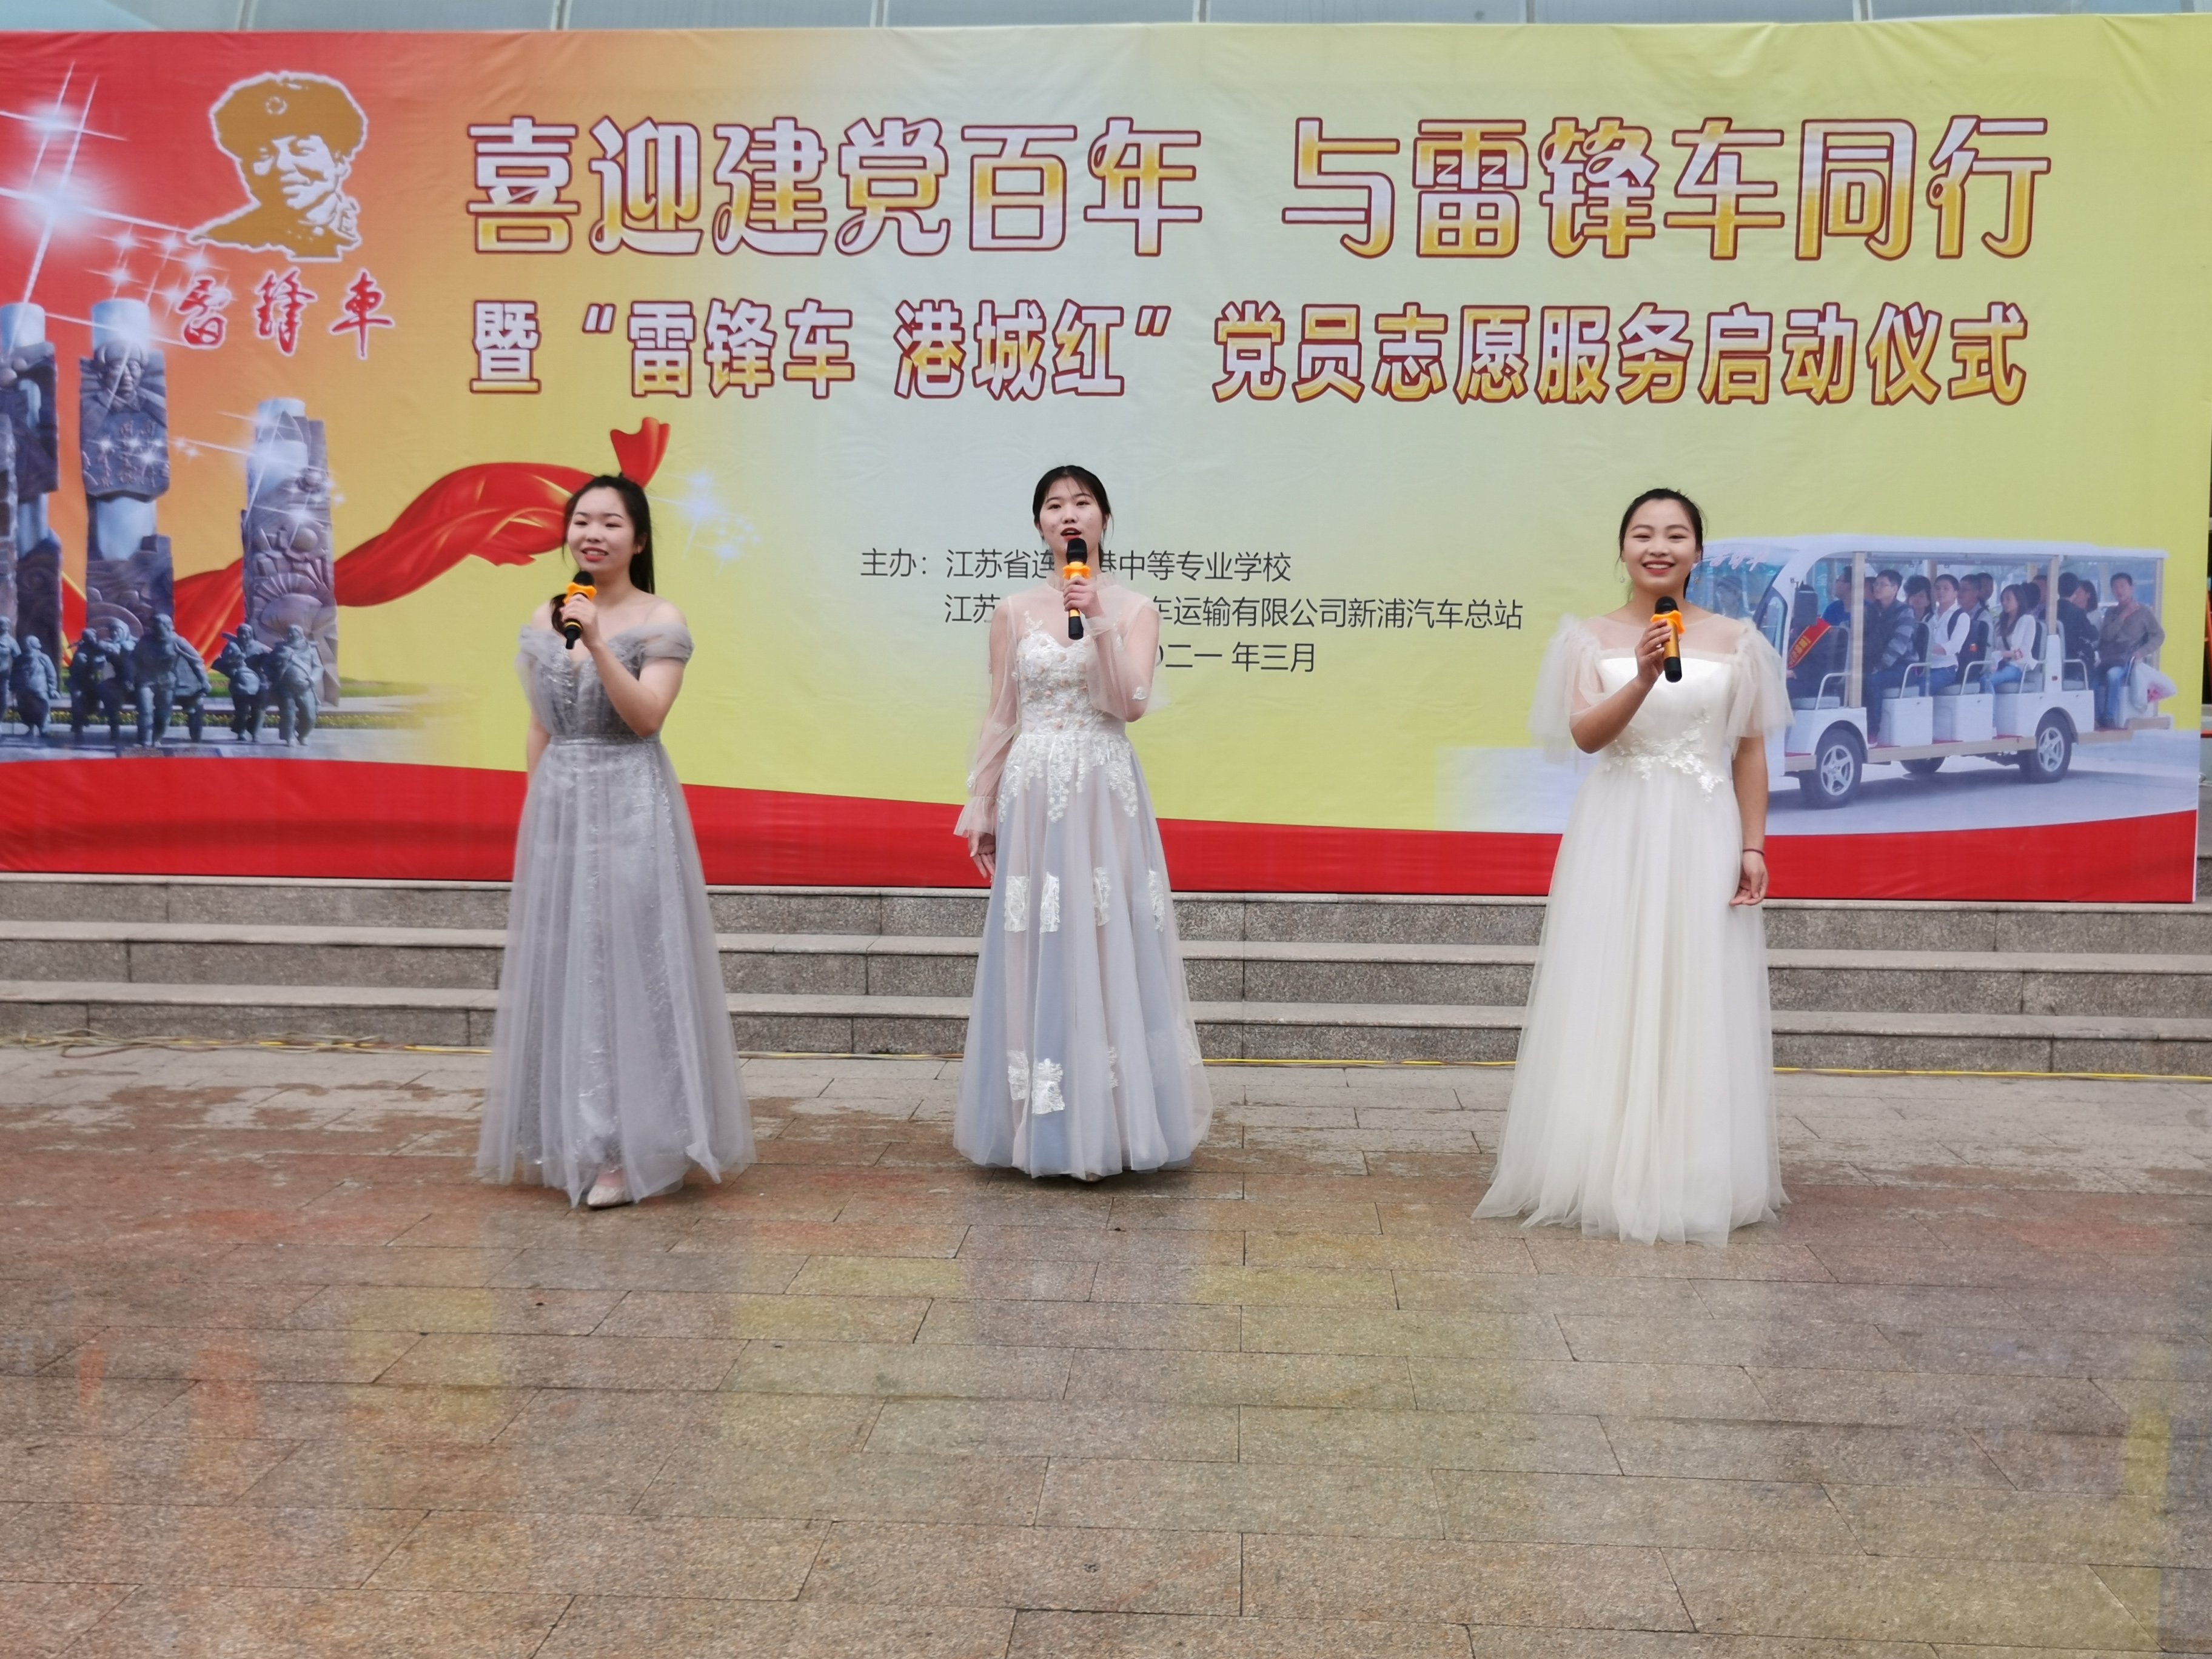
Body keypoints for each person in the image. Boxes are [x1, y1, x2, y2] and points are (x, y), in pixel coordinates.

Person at [1476, 488, 1791, 1246]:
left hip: (1703, 829)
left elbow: (1750, 752)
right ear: (1622, 548)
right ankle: (1597, 1167)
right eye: (1644, 534)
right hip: (1618, 829)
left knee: (1695, 985)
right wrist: (1644, 675)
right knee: (1610, 982)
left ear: (1698, 552)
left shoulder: (1740, 641)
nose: (1659, 547)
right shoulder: (1586, 639)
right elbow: (1586, 735)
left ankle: (1693, 1173)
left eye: (1676, 535)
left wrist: (1753, 846)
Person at [477, 473, 753, 1209]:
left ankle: (637, 1145)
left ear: (639, 538)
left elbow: (647, 717)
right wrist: (537, 811)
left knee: (628, 965)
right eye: (581, 521)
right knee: (568, 964)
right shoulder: (546, 615)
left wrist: (597, 642)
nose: (592, 534)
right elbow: (540, 723)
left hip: (630, 804)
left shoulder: (660, 618)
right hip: (562, 807)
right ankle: (574, 1133)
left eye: (609, 523)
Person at [953, 464, 1211, 1181]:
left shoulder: (1135, 608)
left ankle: (1117, 1125)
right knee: (1036, 943)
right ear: (1039, 525)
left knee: (1105, 939)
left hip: (1102, 788)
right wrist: (982, 800)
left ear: (1104, 519)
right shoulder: (1012, 611)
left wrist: (1096, 617)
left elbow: (1128, 703)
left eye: (1083, 502)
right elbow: (1002, 713)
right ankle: (1038, 1125)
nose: (1069, 514)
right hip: (1033, 789)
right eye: (1054, 505)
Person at [2096, 571, 2164, 729]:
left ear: (2131, 588)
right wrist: (2123, 615)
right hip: (2109, 657)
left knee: (2113, 676)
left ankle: (2109, 717)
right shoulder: (2111, 612)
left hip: (2128, 658)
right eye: (2115, 587)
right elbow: (2106, 636)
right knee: (2093, 679)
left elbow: (2159, 635)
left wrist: (2143, 651)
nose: (2119, 591)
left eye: (2123, 586)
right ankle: (2096, 717)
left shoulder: (2144, 611)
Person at [1862, 568, 1917, 743]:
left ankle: (1872, 732)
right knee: (1854, 679)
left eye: (1883, 585)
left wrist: (1878, 668)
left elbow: (1898, 646)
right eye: (1876, 584)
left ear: (1895, 589)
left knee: (1873, 681)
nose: (1877, 588)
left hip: (1903, 666)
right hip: (1875, 662)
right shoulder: (1870, 610)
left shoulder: (1905, 611)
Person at [1986, 584, 2039, 690]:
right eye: (2003, 600)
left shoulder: (2028, 620)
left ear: (2019, 600)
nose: (2004, 603)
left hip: (2017, 666)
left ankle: (1991, 702)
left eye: (2008, 599)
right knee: (1982, 679)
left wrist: (2002, 654)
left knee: (1989, 680)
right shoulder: (2001, 621)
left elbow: (2024, 650)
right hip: (2000, 664)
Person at [1926, 572, 1968, 695]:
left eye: (1946, 589)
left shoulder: (1961, 617)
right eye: (1938, 588)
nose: (1941, 592)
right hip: (1926, 667)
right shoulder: (1930, 617)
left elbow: (1954, 647)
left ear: (1955, 593)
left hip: (1946, 669)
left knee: (1922, 688)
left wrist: (1927, 649)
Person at [2057, 576, 2100, 680]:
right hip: (2074, 664)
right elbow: (2092, 634)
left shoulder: (2047, 610)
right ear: (2076, 590)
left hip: (2054, 660)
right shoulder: (2077, 613)